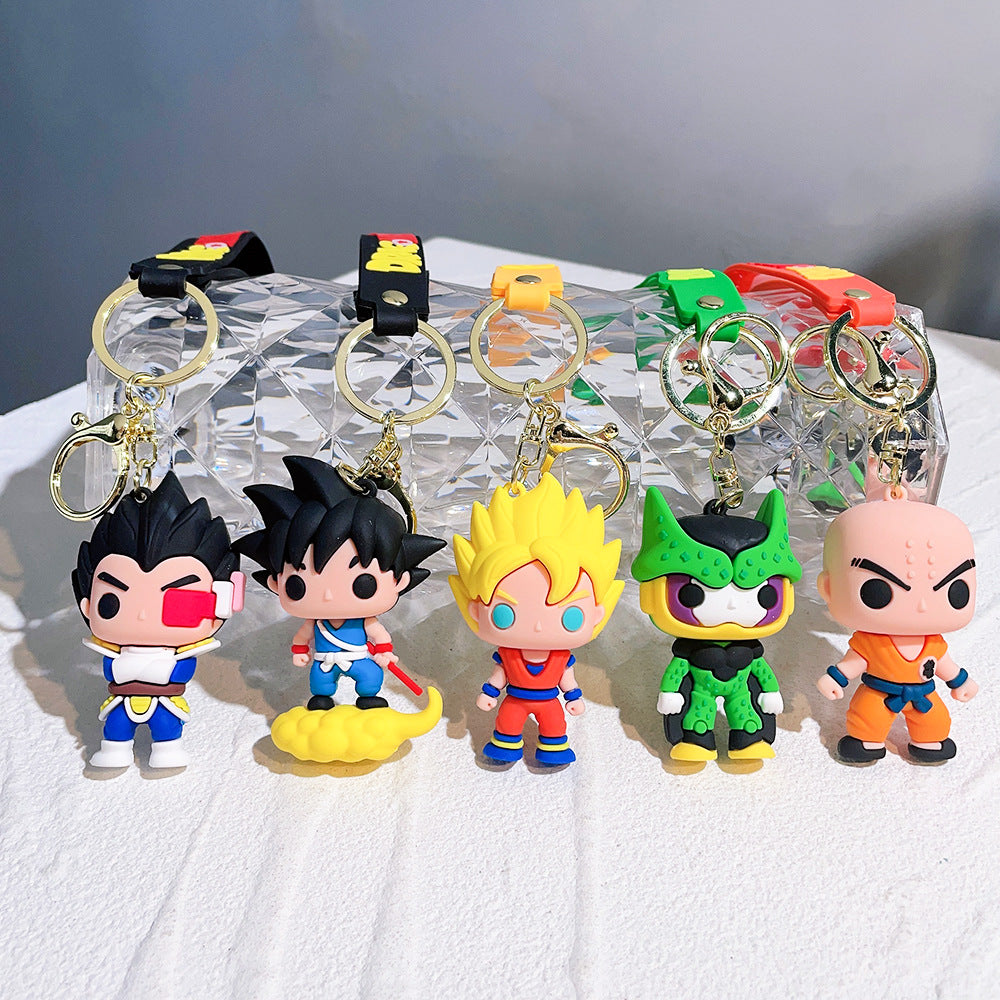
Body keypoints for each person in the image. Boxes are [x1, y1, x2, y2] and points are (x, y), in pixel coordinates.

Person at [450, 473, 624, 766]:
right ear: (475, 610)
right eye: (505, 614)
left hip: (549, 701)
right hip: (514, 699)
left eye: (570, 616)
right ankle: (506, 745)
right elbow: (499, 675)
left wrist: (573, 697)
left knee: (554, 724)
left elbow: (567, 679)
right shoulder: (508, 655)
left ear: (597, 614)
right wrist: (490, 692)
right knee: (507, 721)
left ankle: (554, 748)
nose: (539, 626)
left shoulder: (561, 658)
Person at [74, 472, 242, 768]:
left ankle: (167, 750)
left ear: (223, 601)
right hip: (122, 699)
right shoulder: (111, 649)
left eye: (176, 602)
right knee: (116, 725)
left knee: (166, 725)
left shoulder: (179, 652)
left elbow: (182, 670)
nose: (141, 614)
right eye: (111, 603)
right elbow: (110, 668)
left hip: (164, 700)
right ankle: (115, 750)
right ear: (87, 605)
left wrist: (147, 670)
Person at [816, 492, 977, 763]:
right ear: (829, 588)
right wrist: (836, 678)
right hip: (878, 692)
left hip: (923, 694)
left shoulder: (933, 642)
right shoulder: (870, 641)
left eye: (955, 591)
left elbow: (944, 664)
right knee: (867, 719)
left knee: (935, 722)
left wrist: (961, 682)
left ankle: (929, 741)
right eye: (876, 591)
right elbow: (854, 662)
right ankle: (866, 741)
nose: (922, 606)